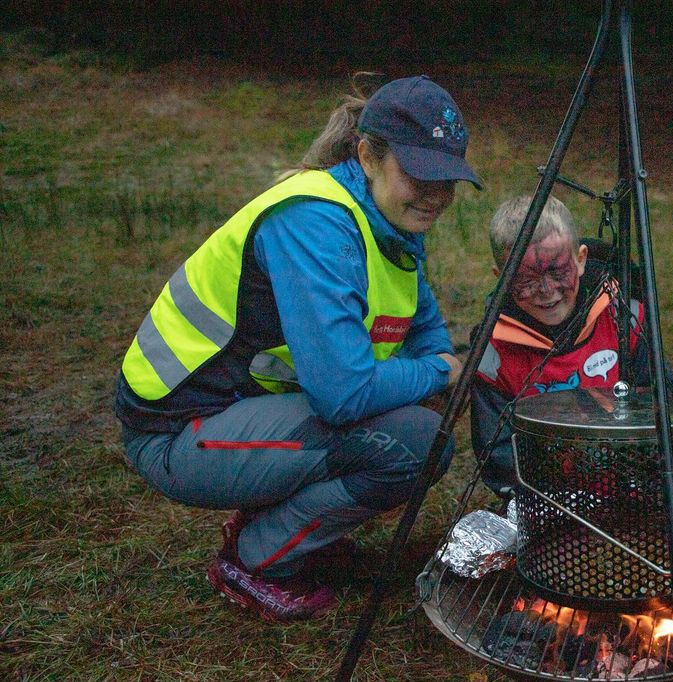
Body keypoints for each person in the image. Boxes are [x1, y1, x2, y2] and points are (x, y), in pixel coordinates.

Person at [115, 75, 480, 621]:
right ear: (367, 156)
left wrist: (434, 366)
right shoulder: (316, 223)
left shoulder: (386, 222)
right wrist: (439, 372)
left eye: (447, 178)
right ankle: (254, 559)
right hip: (176, 431)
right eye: (420, 173)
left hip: (244, 411)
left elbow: (425, 322)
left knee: (414, 415)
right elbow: (344, 394)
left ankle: (277, 523)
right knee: (414, 442)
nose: (436, 194)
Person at [470, 195, 651, 498]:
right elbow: (497, 453)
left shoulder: (624, 316)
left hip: (629, 488)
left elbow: (660, 405)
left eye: (557, 272)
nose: (546, 290)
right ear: (501, 278)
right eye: (525, 279)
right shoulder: (492, 352)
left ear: (580, 259)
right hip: (543, 498)